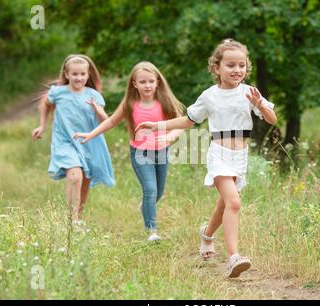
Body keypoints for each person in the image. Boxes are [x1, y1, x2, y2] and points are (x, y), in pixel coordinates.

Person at [135, 39, 277, 277]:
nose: (237, 70)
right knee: (233, 202)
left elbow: (272, 119)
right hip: (219, 154)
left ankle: (207, 234)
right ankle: (234, 257)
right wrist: (156, 126)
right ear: (216, 68)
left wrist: (260, 104)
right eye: (231, 65)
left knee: (224, 203)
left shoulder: (250, 93)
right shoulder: (209, 96)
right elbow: (187, 120)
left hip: (240, 156)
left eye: (242, 65)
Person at [73, 61, 184, 241]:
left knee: (159, 192)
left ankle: (146, 207)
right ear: (134, 84)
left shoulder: (164, 101)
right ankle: (152, 231)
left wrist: (171, 136)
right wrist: (90, 134)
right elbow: (110, 122)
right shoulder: (130, 104)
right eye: (142, 82)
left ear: (157, 82)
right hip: (140, 153)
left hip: (162, 152)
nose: (147, 85)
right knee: (150, 189)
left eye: (150, 81)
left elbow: (181, 123)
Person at [32, 54, 115, 224]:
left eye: (82, 74)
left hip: (88, 142)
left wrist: (97, 109)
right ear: (67, 74)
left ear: (88, 75)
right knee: (75, 176)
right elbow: (45, 104)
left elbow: (105, 122)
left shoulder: (94, 96)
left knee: (84, 179)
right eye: (75, 74)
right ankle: (71, 220)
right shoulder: (58, 92)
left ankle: (76, 218)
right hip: (65, 141)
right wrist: (42, 126)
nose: (79, 77)